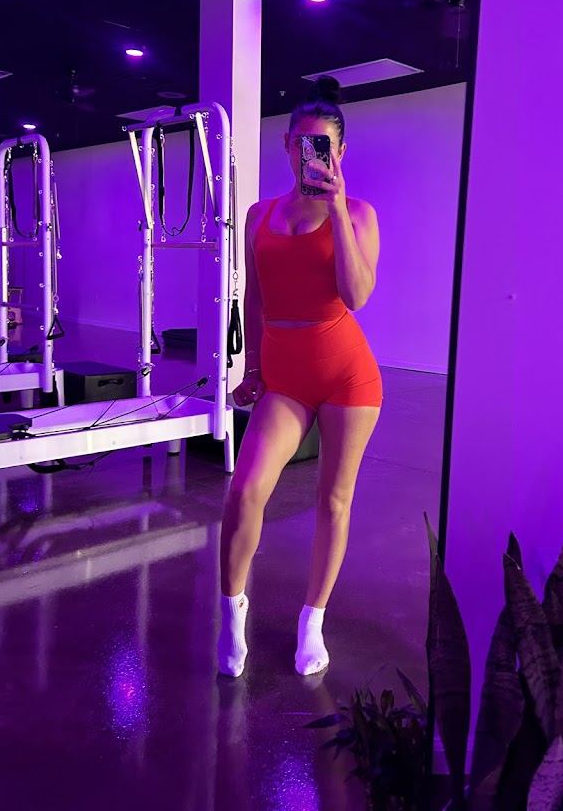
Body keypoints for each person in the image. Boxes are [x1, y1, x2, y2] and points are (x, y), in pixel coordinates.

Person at [217, 75, 383, 677]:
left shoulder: (358, 214)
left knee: (333, 501)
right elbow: (256, 300)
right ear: (288, 145)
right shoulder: (258, 216)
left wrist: (335, 209)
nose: (311, 155)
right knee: (244, 491)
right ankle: (231, 613)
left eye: (324, 146)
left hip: (347, 378)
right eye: (302, 143)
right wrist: (252, 368)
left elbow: (357, 296)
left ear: (339, 153)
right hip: (284, 379)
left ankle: (312, 621)